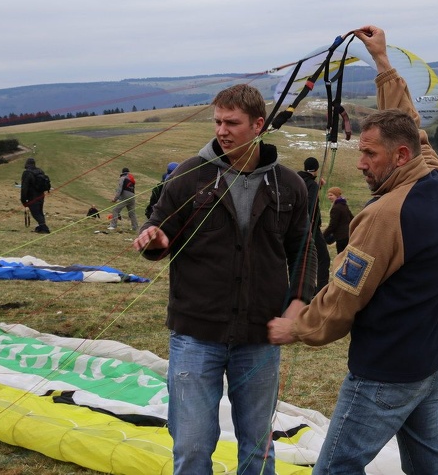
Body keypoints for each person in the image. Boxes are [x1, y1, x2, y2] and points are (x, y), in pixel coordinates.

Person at [268, 25, 438, 474]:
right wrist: (381, 62)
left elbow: (343, 297)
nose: (359, 163)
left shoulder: (383, 216)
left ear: (398, 157)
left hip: (385, 374)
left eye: (370, 154)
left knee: (334, 468)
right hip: (431, 364)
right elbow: (409, 123)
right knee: (429, 462)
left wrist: (297, 327)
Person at [132, 83, 317, 474]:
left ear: (258, 125)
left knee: (257, 449)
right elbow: (158, 228)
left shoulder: (289, 186)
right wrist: (156, 239)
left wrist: (299, 302)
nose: (221, 130)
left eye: (231, 122)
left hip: (259, 336)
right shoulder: (189, 176)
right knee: (193, 446)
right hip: (196, 336)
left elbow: (304, 249)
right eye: (217, 121)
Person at [298, 156, 331, 292]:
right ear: (316, 169)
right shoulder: (312, 185)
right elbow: (309, 205)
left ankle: (302, 289)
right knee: (324, 259)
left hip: (297, 227)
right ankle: (321, 292)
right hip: (311, 228)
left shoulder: (297, 180)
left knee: (302, 260)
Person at [20, 157, 50, 233]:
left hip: (32, 196)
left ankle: (44, 228)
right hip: (41, 195)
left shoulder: (27, 173)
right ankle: (41, 226)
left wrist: (24, 200)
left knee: (35, 213)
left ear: (26, 164)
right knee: (39, 212)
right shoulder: (40, 171)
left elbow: (24, 187)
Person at [322, 186, 354, 254]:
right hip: (347, 236)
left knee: (340, 257)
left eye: (331, 195)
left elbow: (333, 225)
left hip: (341, 237)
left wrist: (323, 235)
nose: (329, 197)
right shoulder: (344, 205)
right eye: (328, 195)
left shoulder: (336, 208)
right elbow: (352, 218)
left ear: (337, 195)